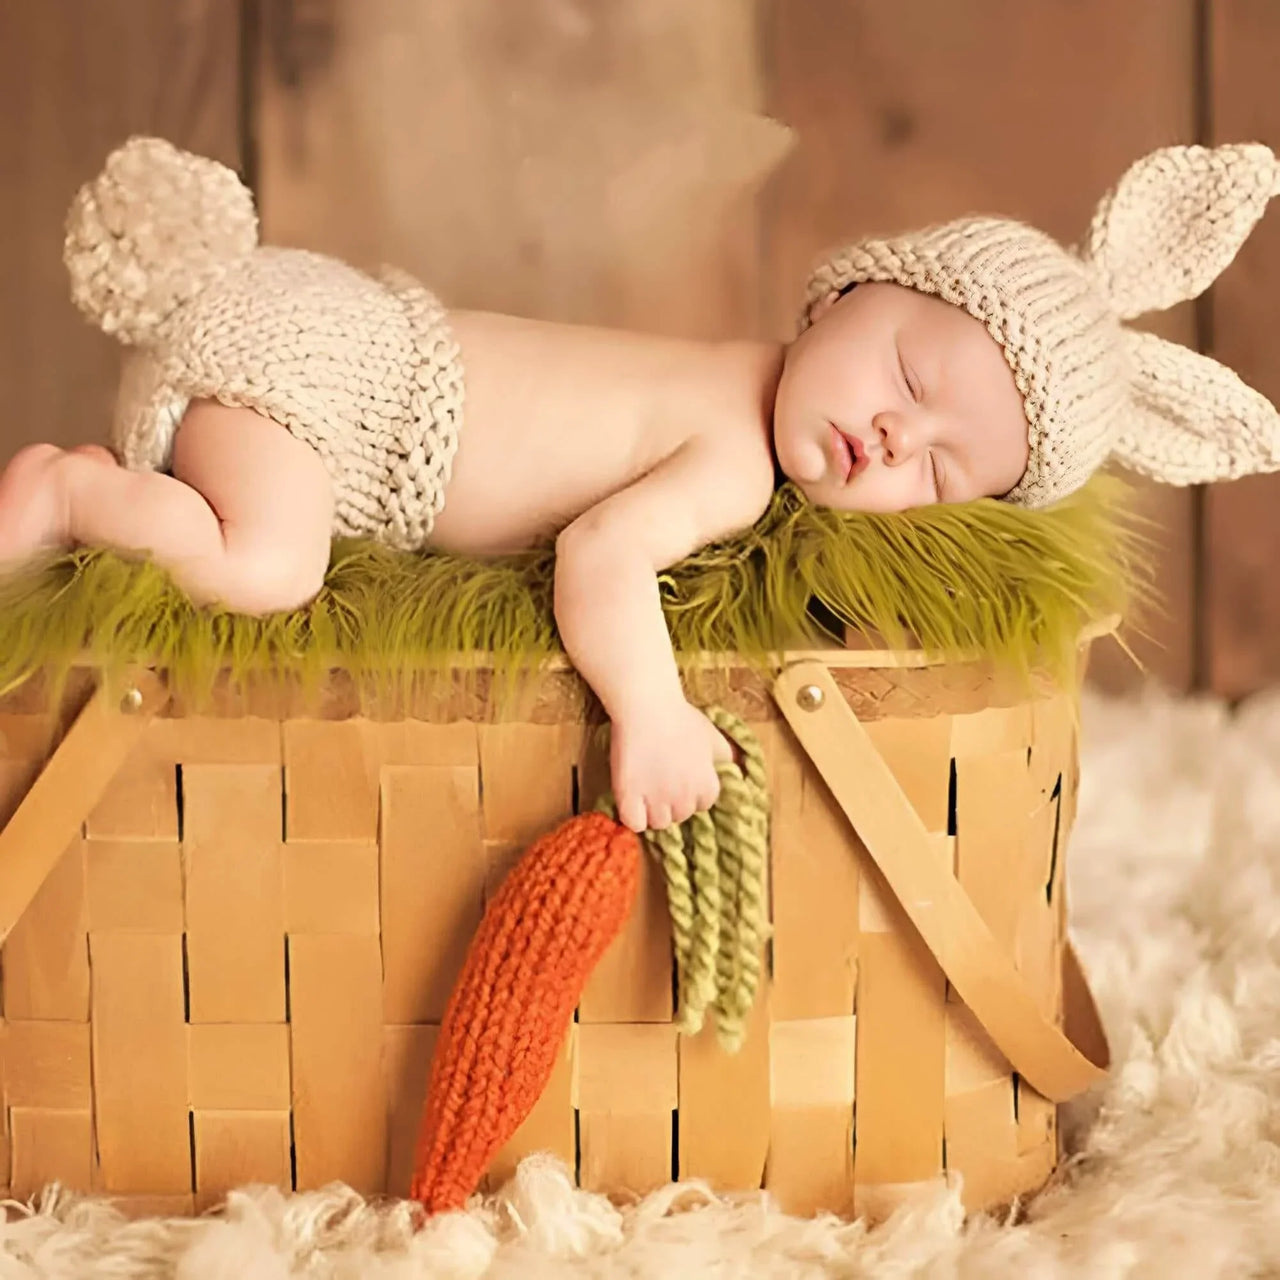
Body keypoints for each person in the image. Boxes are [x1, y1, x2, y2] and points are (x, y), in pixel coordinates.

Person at [1, 137, 1277, 831]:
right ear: (839, 292)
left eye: (940, 470)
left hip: (344, 344)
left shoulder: (734, 392)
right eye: (907, 372)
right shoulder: (726, 447)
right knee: (268, 568)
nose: (893, 436)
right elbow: (599, 560)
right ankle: (68, 492)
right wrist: (654, 715)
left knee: (267, 551)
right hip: (344, 387)